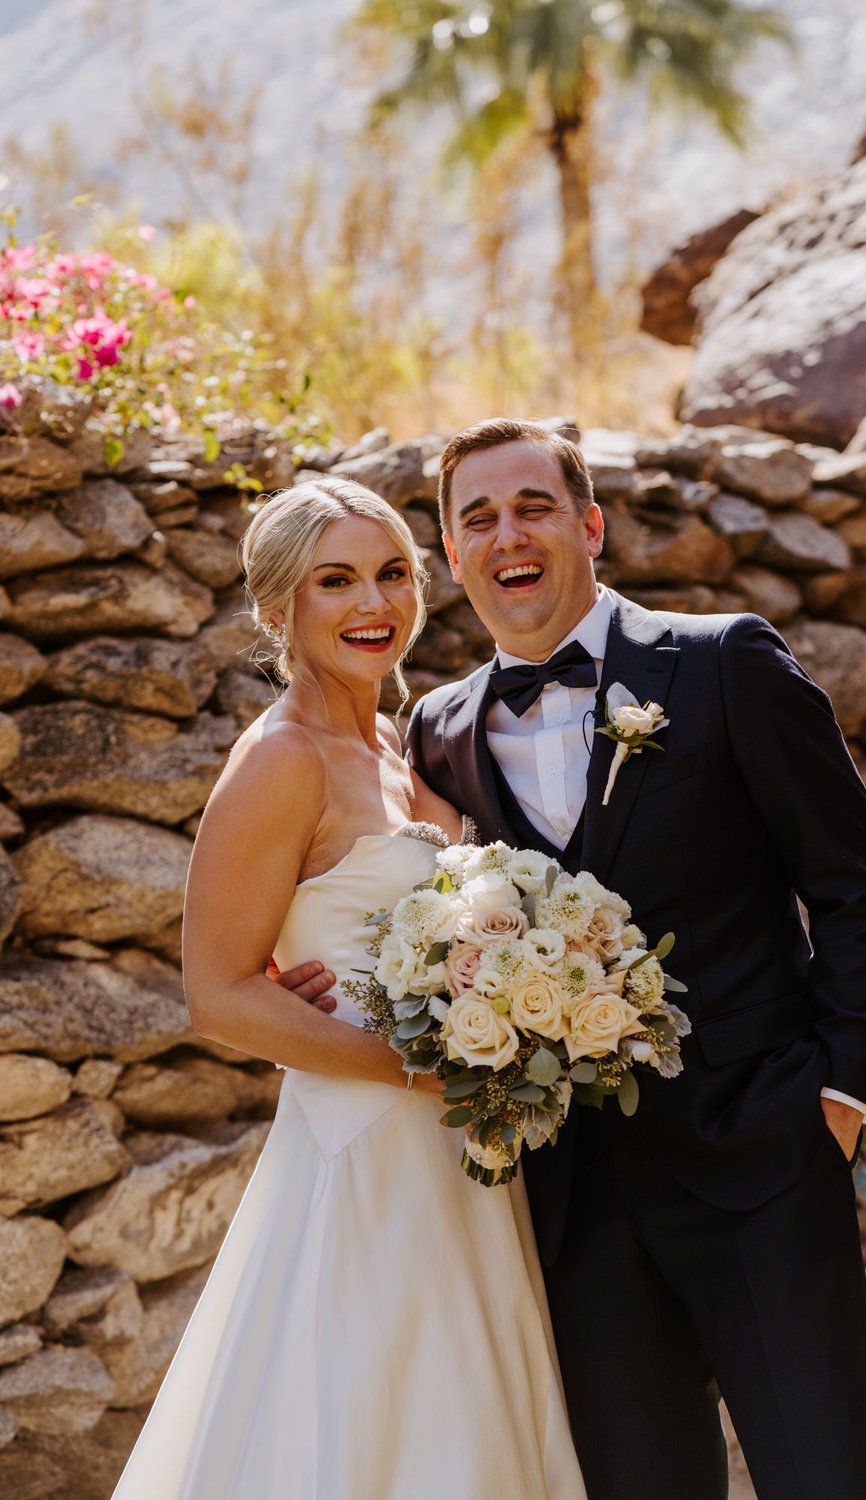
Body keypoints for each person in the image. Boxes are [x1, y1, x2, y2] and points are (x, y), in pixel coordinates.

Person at [400, 419, 866, 1500]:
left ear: (590, 525)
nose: (508, 536)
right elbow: (426, 918)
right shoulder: (436, 730)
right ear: (452, 554)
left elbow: (854, 889)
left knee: (825, 1476)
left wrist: (838, 1095)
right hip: (573, 1200)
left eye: (533, 506)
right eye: (476, 518)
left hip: (760, 1156)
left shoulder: (725, 661)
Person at [111, 477, 587, 1500]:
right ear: (279, 607)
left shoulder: (399, 746)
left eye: (390, 575)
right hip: (367, 1146)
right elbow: (220, 995)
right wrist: (427, 1076)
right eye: (336, 581)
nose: (374, 604)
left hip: (459, 1149)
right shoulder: (280, 760)